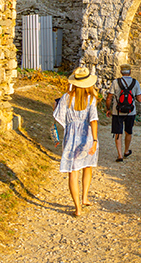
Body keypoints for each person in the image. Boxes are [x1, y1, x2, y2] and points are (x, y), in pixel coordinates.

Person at [53, 66, 99, 216]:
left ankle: (78, 208)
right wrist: (95, 140)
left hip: (71, 136)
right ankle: (85, 196)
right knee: (88, 165)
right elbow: (93, 120)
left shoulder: (67, 97)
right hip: (87, 135)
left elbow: (58, 115)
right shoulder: (91, 99)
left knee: (73, 171)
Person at [106, 64, 141, 162]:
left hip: (117, 112)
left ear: (121, 72)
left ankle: (120, 155)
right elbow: (139, 99)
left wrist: (108, 109)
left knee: (118, 133)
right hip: (131, 112)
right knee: (128, 132)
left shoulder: (115, 82)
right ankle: (126, 151)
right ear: (130, 72)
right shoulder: (135, 82)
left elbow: (109, 97)